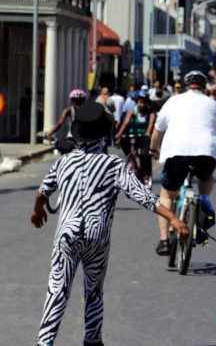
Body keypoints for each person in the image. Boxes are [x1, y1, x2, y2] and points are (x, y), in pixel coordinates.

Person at [32, 102, 188, 346]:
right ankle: (92, 340)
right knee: (93, 291)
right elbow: (143, 196)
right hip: (97, 235)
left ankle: (45, 342)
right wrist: (174, 218)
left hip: (67, 234)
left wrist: (37, 210)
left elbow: (43, 191)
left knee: (57, 290)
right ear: (104, 133)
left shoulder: (64, 162)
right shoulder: (113, 165)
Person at [149, 71, 216, 255]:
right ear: (204, 86)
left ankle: (164, 241)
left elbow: (157, 132)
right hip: (207, 154)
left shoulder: (173, 101)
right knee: (207, 177)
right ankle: (202, 202)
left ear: (185, 85)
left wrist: (153, 149)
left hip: (177, 153)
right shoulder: (212, 104)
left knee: (167, 194)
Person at [114, 91, 156, 188]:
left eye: (144, 103)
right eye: (140, 102)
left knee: (144, 155)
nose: (142, 105)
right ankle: (132, 163)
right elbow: (126, 122)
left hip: (145, 136)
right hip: (134, 135)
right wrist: (119, 134)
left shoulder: (151, 112)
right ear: (137, 102)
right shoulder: (133, 110)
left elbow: (150, 125)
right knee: (124, 141)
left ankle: (146, 176)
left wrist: (148, 133)